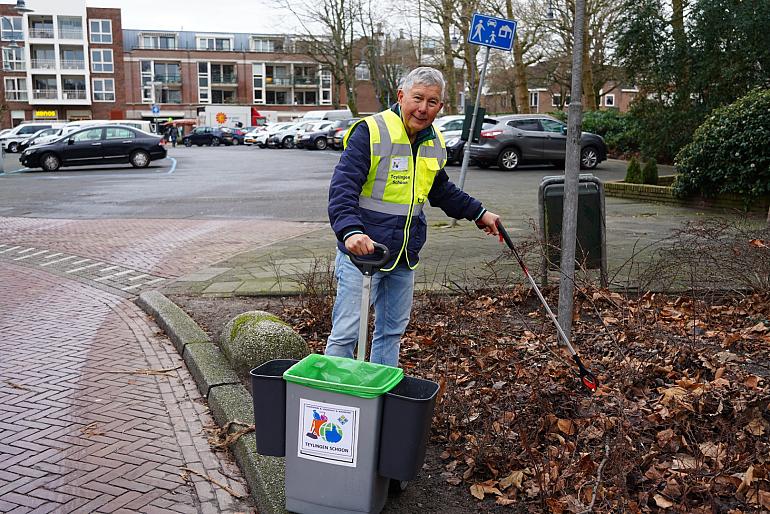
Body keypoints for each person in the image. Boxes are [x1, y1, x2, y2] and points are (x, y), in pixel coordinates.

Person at [326, 66, 501, 367]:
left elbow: (442, 191)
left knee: (391, 333)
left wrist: (480, 213)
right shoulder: (371, 131)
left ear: (440, 107)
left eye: (432, 102)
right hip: (364, 254)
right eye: (417, 98)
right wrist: (350, 231)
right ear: (401, 96)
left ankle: (380, 398)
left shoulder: (432, 142)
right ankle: (331, 403)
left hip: (404, 256)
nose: (423, 108)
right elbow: (343, 189)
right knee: (346, 333)